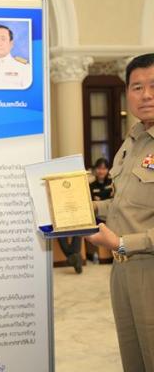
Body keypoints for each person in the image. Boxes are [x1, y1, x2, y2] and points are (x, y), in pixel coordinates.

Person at [87, 53, 154, 371]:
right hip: (123, 270)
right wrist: (85, 209)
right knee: (134, 358)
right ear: (128, 92)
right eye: (137, 87)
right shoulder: (132, 142)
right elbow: (123, 203)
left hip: (148, 267)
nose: (146, 95)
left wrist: (123, 243)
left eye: (153, 85)